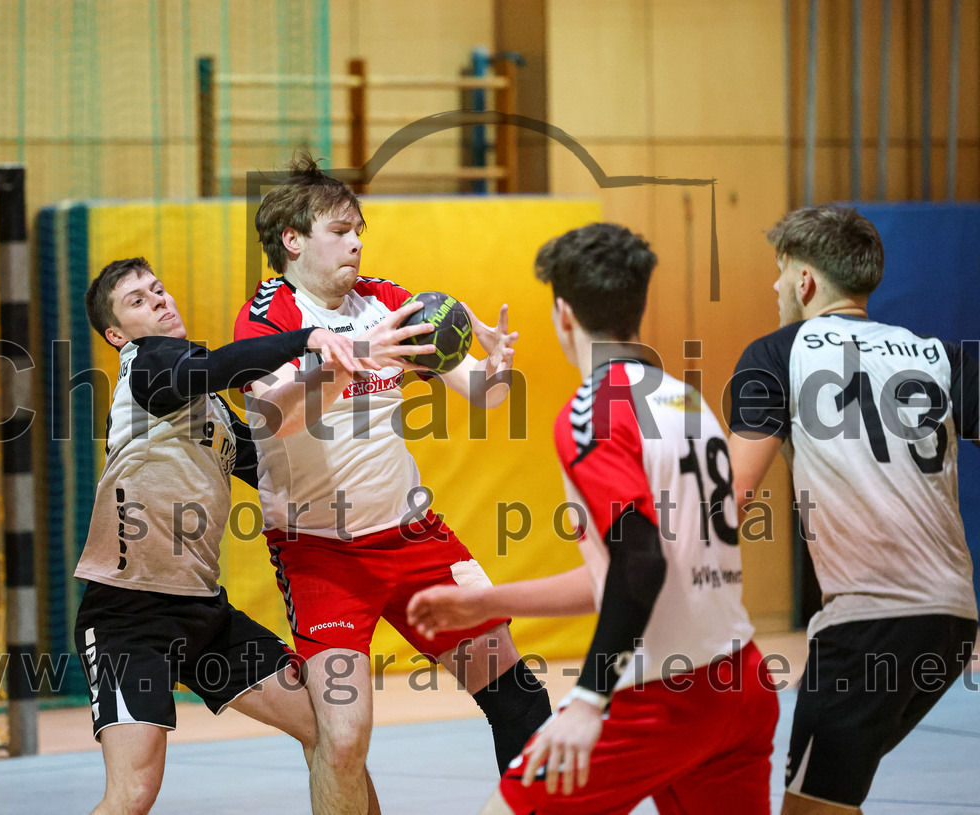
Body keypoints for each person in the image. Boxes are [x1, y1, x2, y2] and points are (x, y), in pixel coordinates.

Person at [408, 223, 779, 815]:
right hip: (740, 681)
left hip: (663, 695)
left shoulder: (592, 412)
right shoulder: (685, 399)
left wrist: (587, 698)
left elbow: (640, 563)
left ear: (562, 313)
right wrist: (489, 603)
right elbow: (632, 570)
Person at [233, 154, 552, 815]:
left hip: (414, 541)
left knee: (519, 695)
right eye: (340, 229)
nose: (355, 242)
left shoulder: (385, 301)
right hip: (321, 553)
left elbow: (480, 394)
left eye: (360, 230)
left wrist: (495, 370)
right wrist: (351, 363)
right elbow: (271, 416)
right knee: (344, 740)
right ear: (292, 238)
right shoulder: (266, 316)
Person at [74, 256, 421, 814]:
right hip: (128, 615)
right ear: (116, 334)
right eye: (138, 300)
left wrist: (367, 427)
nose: (159, 300)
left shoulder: (206, 404)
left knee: (332, 736)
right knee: (134, 792)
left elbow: (279, 461)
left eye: (159, 289)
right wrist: (312, 336)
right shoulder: (147, 366)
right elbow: (225, 364)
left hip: (204, 612)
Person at [727, 205, 979, 815]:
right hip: (954, 619)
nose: (774, 287)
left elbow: (732, 497)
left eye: (780, 272)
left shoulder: (776, 355)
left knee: (811, 808)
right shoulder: (938, 356)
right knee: (832, 797)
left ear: (805, 282)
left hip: (870, 620)